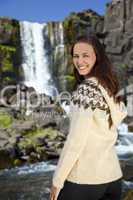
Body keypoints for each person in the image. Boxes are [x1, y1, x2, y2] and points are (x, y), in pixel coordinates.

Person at [50, 34, 127, 200]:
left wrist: (57, 180)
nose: (79, 61)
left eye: (86, 55)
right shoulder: (108, 87)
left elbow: (76, 141)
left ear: (97, 57)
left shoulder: (85, 91)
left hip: (84, 180)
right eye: (76, 56)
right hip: (113, 179)